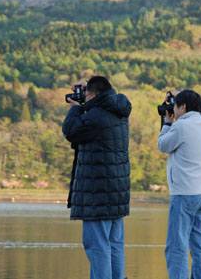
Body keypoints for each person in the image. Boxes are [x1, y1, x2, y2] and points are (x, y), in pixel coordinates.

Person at [62, 76, 132, 279]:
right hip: (117, 191)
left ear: (92, 95)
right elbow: (103, 96)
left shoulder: (96, 115)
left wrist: (75, 107)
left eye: (86, 94)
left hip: (97, 192)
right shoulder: (117, 109)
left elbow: (71, 131)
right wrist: (90, 93)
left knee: (97, 245)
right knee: (114, 242)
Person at [157, 89, 201, 279]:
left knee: (176, 247)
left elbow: (163, 145)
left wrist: (166, 123)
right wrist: (181, 94)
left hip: (185, 195)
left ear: (184, 107)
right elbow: (200, 105)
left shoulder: (181, 127)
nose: (173, 108)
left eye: (175, 105)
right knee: (199, 245)